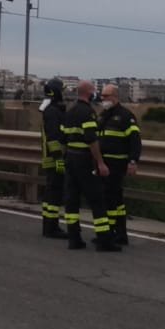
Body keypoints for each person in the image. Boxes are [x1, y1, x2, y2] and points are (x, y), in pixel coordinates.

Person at [62, 80, 117, 252]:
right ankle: (104, 241)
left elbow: (63, 138)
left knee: (72, 200)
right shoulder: (88, 112)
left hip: (70, 158)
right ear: (88, 92)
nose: (96, 94)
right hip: (84, 160)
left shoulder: (70, 111)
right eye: (94, 90)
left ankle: (74, 238)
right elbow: (91, 140)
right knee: (97, 199)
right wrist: (100, 162)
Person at [97, 83, 141, 247]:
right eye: (102, 95)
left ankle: (114, 233)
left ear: (115, 97)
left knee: (112, 199)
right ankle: (114, 233)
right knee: (111, 199)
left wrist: (132, 161)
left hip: (117, 164)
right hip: (103, 163)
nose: (103, 98)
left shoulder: (125, 116)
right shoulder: (103, 115)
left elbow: (135, 141)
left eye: (106, 96)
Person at [38, 77, 68, 238]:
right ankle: (51, 228)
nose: (64, 93)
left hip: (52, 158)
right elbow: (53, 138)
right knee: (54, 193)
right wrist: (59, 160)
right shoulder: (53, 112)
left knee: (52, 192)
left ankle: (50, 226)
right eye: (62, 90)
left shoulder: (52, 110)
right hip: (55, 159)